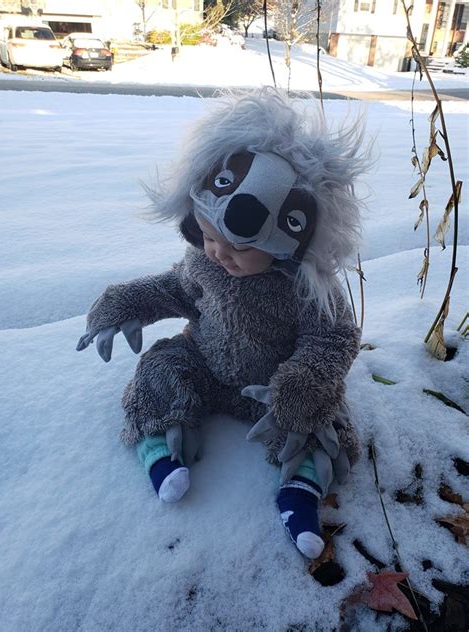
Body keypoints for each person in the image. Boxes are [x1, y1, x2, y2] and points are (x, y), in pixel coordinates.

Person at [77, 88, 367, 560]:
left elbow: (333, 337)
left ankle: (301, 490)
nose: (218, 253)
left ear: (284, 244)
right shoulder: (205, 263)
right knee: (159, 369)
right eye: (208, 236)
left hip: (273, 388)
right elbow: (173, 289)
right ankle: (158, 448)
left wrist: (303, 381)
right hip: (206, 362)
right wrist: (125, 302)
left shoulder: (305, 288)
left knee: (320, 421)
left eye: (236, 247)